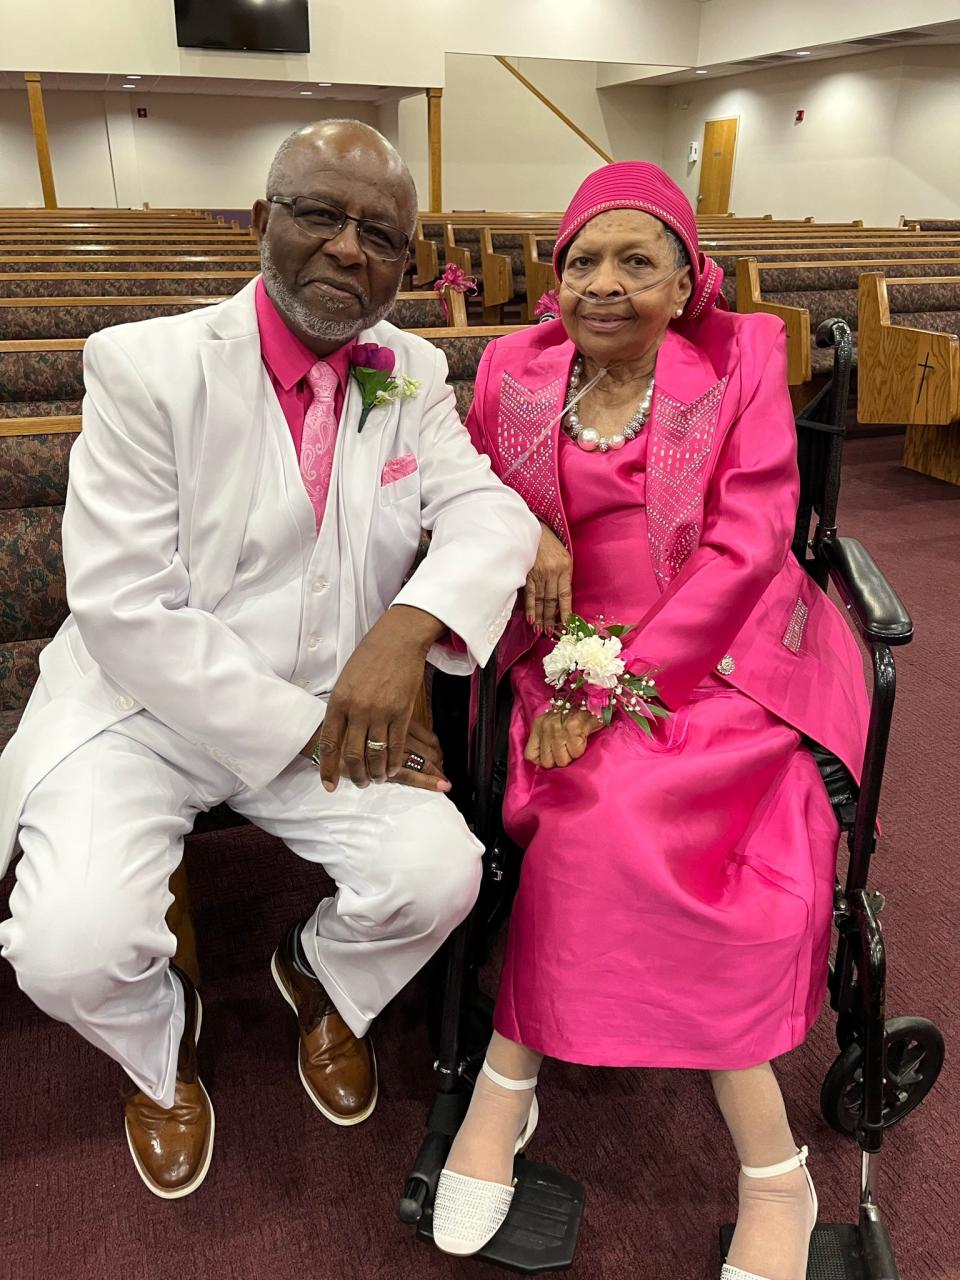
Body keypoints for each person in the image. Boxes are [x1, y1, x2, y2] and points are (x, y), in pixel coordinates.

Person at [0, 120, 539, 1200]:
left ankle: (326, 978)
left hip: (332, 695)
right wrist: (325, 721)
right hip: (142, 711)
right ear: (262, 222)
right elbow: (124, 610)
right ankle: (159, 1050)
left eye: (381, 232)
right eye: (321, 214)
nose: (349, 249)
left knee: (441, 874)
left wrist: (405, 628)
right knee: (67, 944)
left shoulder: (411, 368)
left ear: (409, 260)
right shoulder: (145, 366)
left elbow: (490, 512)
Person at [431, 163, 871, 1280]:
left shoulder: (739, 362)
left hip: (721, 651)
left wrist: (609, 687)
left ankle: (757, 1161)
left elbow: (749, 544)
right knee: (594, 809)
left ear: (687, 280)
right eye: (583, 261)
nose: (605, 284)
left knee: (647, 825)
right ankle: (526, 1093)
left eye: (638, 261)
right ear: (554, 280)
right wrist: (522, 535)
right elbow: (461, 488)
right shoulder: (515, 370)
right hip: (561, 639)